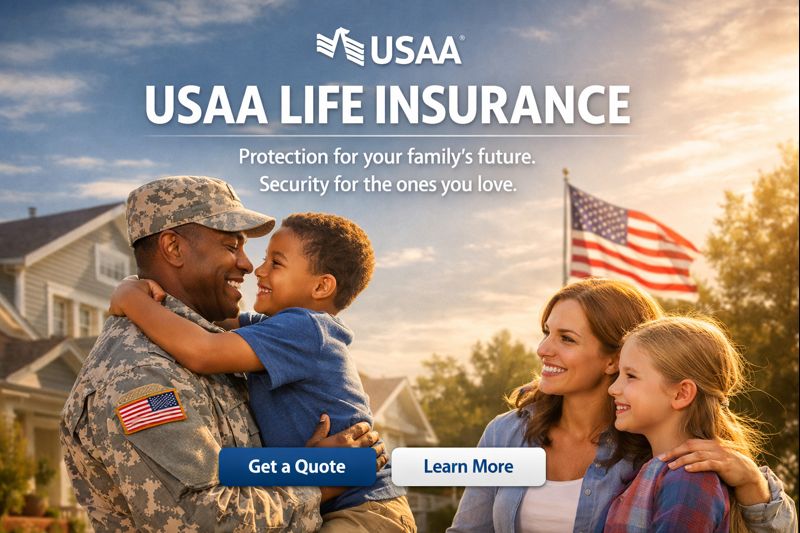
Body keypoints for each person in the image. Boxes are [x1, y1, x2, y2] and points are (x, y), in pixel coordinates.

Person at [60, 176, 385, 532]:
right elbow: (210, 521)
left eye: (267, 259)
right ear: (174, 248)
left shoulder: (220, 334)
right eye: (232, 247)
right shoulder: (140, 371)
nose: (249, 266)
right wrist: (318, 479)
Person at [448, 278, 796, 533]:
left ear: (614, 359)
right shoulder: (507, 432)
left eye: (566, 338)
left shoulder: (656, 443)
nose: (543, 349)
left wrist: (753, 483)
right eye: (546, 332)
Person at [604, 316, 763, 532]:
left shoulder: (689, 478)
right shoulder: (653, 471)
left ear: (681, 393)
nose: (613, 388)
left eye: (630, 376)